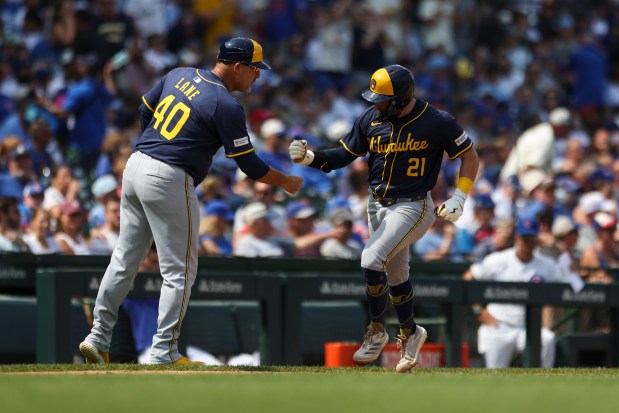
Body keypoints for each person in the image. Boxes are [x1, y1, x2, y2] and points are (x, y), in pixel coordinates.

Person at [79, 37, 303, 366]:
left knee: (125, 260)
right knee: (179, 271)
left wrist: (154, 145)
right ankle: (163, 351)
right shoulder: (225, 104)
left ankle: (97, 337)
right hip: (169, 176)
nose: (258, 76)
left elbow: (145, 109)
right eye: (255, 69)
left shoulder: (178, 74)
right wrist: (284, 180)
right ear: (237, 66)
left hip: (136, 164)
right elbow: (249, 165)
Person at [288, 64, 479, 372]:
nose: (375, 103)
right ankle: (411, 332)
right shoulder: (370, 118)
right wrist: (310, 157)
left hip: (414, 205)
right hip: (376, 204)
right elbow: (343, 156)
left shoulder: (436, 121)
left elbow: (469, 155)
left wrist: (460, 196)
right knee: (396, 274)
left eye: (382, 99)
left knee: (370, 259)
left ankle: (376, 330)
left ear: (403, 97)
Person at [462, 217, 562, 368]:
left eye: (532, 239)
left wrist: (556, 247)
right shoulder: (498, 260)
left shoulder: (546, 264)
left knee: (547, 339)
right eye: (525, 238)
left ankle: (542, 386)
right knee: (493, 376)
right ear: (517, 237)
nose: (529, 243)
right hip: (499, 324)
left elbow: (567, 282)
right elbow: (467, 278)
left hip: (528, 326)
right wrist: (478, 310)